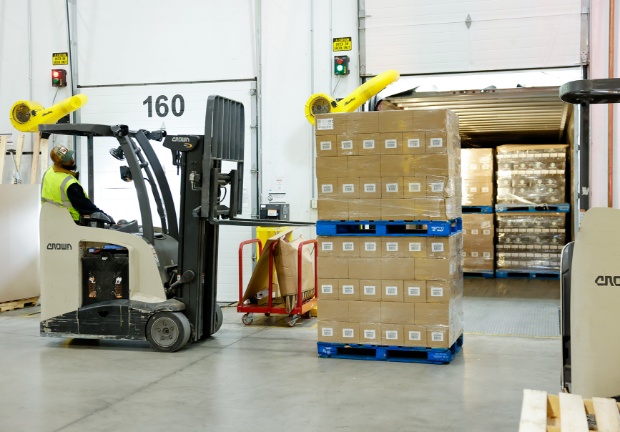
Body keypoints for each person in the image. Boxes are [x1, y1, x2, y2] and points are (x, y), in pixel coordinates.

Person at [41, 145, 111, 224]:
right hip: (72, 223)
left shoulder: (49, 172)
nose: (72, 160)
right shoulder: (69, 183)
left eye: (70, 156)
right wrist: (108, 219)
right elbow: (86, 207)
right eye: (67, 159)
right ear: (59, 163)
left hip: (52, 220)